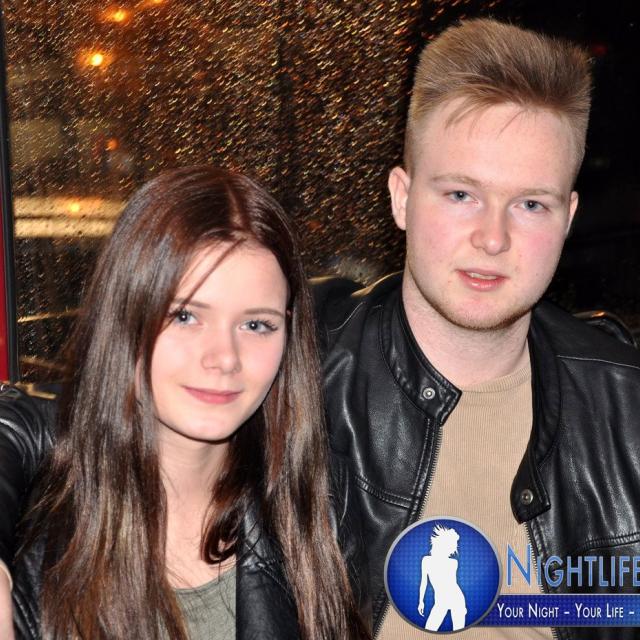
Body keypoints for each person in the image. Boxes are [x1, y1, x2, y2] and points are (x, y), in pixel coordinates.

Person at [314, 18, 640, 640]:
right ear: (402, 197)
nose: (493, 238)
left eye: (531, 204)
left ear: (568, 218)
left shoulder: (627, 414)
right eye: (461, 194)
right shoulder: (296, 378)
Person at [0, 166, 369, 639]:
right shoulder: (34, 528)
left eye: (256, 325)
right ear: (127, 315)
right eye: (186, 316)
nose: (224, 358)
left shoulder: (318, 510)